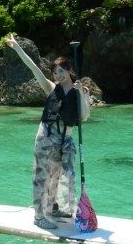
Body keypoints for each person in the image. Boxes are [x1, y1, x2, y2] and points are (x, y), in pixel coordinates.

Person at [5, 34, 91, 229]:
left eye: (61, 71)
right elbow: (33, 68)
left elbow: (84, 117)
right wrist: (18, 48)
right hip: (46, 138)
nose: (58, 76)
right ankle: (38, 217)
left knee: (58, 176)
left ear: (70, 71)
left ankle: (52, 208)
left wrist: (80, 95)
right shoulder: (51, 87)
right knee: (42, 176)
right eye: (55, 73)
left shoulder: (81, 90)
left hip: (65, 141)